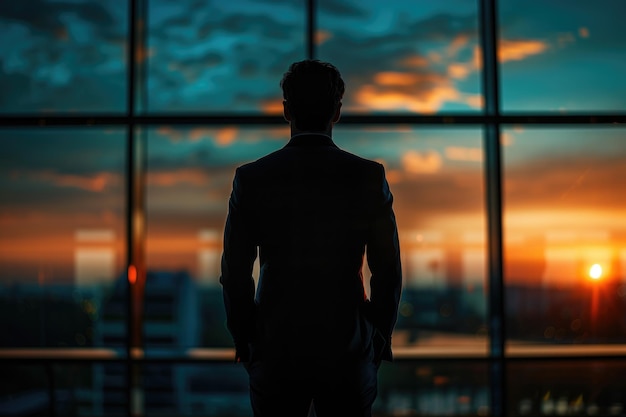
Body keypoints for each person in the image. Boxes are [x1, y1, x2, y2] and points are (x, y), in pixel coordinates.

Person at [220, 59, 402, 417]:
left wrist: (246, 339)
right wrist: (377, 338)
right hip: (347, 349)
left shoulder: (253, 178)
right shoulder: (367, 176)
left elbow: (235, 273)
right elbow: (388, 271)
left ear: (287, 110)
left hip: (276, 349)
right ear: (337, 110)